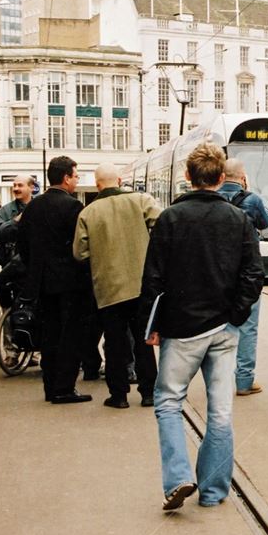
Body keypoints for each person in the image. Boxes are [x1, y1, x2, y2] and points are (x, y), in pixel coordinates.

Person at [140, 143, 263, 511]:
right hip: (224, 329)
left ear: (188, 178)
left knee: (168, 401)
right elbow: (253, 274)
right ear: (221, 178)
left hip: (181, 328)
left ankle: (178, 477)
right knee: (221, 412)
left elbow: (153, 278)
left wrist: (152, 325)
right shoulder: (238, 219)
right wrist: (236, 314)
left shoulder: (170, 218)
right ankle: (212, 491)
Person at [73, 163, 161, 409]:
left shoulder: (88, 213)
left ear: (97, 184)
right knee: (143, 340)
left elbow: (80, 253)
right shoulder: (142, 201)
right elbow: (162, 225)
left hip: (108, 287)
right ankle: (148, 393)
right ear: (120, 180)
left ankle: (119, 395)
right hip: (140, 284)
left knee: (114, 342)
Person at [18, 157, 93, 404]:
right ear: (65, 178)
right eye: (76, 176)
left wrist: (35, 271)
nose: (77, 180)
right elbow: (81, 246)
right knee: (70, 335)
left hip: (41, 283)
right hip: (70, 283)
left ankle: (50, 386)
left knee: (49, 334)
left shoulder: (33, 207)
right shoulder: (72, 207)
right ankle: (64, 388)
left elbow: (23, 246)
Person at [216, 159, 268, 396]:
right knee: (248, 326)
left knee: (220, 326)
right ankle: (245, 380)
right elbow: (266, 224)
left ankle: (219, 378)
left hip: (218, 271)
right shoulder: (252, 199)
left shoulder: (213, 199)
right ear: (243, 176)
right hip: (247, 272)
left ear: (221, 176)